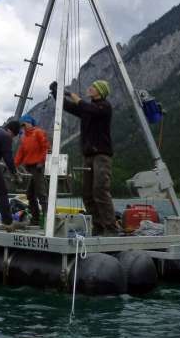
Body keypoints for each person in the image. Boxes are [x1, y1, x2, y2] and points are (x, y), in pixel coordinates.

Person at [55, 79, 117, 236]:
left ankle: (111, 228)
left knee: (100, 190)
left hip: (101, 155)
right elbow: (69, 107)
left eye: (94, 87)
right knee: (87, 194)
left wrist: (74, 95)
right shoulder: (88, 109)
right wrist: (57, 94)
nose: (90, 88)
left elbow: (87, 108)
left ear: (100, 91)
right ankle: (98, 226)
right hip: (88, 155)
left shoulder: (104, 106)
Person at [14, 114, 50, 226]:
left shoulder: (39, 132)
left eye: (24, 124)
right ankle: (35, 219)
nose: (23, 127)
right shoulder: (24, 138)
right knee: (29, 194)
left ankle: (47, 219)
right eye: (22, 125)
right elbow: (20, 154)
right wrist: (13, 165)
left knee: (42, 194)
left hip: (38, 167)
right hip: (28, 168)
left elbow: (45, 147)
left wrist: (41, 162)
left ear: (29, 123)